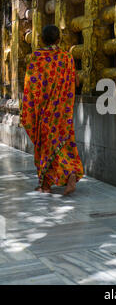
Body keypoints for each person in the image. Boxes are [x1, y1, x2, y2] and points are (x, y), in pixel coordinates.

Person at [20, 25, 84, 195]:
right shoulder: (67, 57)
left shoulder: (37, 57)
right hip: (63, 111)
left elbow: (31, 86)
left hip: (44, 111)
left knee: (46, 145)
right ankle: (49, 183)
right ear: (58, 40)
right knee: (61, 142)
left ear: (42, 40)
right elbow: (75, 82)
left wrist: (30, 108)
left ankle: (64, 175)